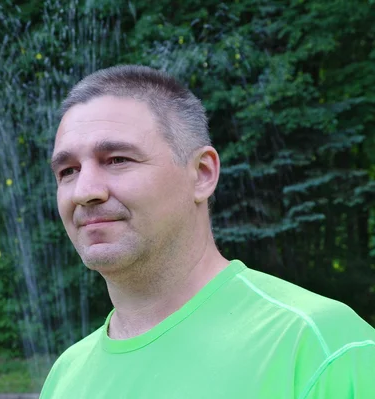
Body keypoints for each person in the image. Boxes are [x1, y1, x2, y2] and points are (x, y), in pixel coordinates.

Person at [40, 65, 375, 398]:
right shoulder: (66, 376)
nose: (85, 191)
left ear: (201, 174)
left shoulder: (321, 348)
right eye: (68, 170)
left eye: (117, 160)